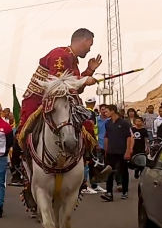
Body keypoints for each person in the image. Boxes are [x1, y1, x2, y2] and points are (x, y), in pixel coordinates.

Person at [11, 28, 103, 204]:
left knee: (87, 125)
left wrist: (88, 71)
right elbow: (59, 84)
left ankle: (91, 164)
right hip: (38, 99)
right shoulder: (60, 54)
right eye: (89, 45)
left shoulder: (73, 61)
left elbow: (74, 88)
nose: (90, 49)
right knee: (24, 130)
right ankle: (20, 168)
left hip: (62, 99)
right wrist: (84, 79)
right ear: (83, 40)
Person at [102, 106, 133, 201]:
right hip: (111, 151)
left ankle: (125, 191)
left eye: (106, 111)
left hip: (121, 151)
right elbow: (107, 137)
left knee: (123, 171)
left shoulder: (123, 123)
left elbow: (128, 138)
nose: (105, 113)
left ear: (113, 111)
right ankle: (109, 192)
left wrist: (128, 151)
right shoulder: (108, 123)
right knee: (109, 172)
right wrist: (106, 149)